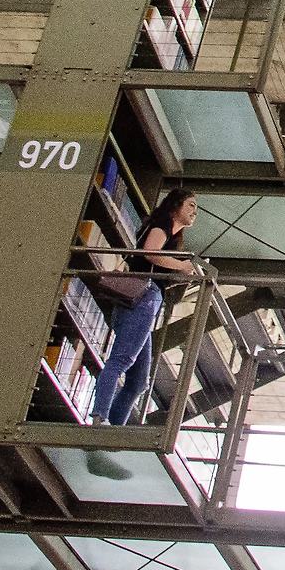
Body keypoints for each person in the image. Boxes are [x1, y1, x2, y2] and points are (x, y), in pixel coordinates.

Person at [87, 188, 198, 476]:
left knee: (138, 382)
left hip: (145, 300)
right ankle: (100, 420)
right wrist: (181, 265)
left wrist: (180, 272)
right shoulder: (162, 226)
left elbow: (153, 262)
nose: (194, 211)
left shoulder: (170, 235)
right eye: (190, 205)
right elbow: (150, 252)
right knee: (121, 361)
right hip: (143, 299)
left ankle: (108, 440)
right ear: (175, 205)